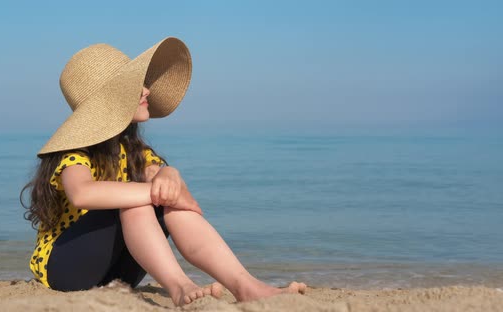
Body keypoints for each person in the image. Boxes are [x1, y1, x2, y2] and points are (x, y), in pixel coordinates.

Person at [20, 37, 307, 306]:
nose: (147, 90)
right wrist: (153, 191)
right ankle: (179, 286)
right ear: (108, 102)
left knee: (157, 198)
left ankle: (245, 285)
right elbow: (82, 193)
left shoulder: (132, 150)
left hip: (118, 273)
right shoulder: (76, 153)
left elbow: (160, 177)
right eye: (134, 86)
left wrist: (170, 175)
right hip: (66, 269)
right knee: (138, 200)